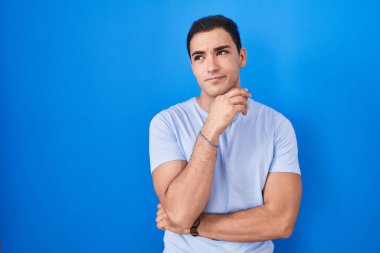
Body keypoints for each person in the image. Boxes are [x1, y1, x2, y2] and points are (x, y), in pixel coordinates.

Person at [149, 14, 302, 253]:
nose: (211, 66)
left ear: (241, 57)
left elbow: (281, 222)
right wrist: (212, 126)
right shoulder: (166, 123)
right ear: (192, 66)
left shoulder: (277, 125)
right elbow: (180, 212)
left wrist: (195, 225)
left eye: (221, 52)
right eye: (199, 57)